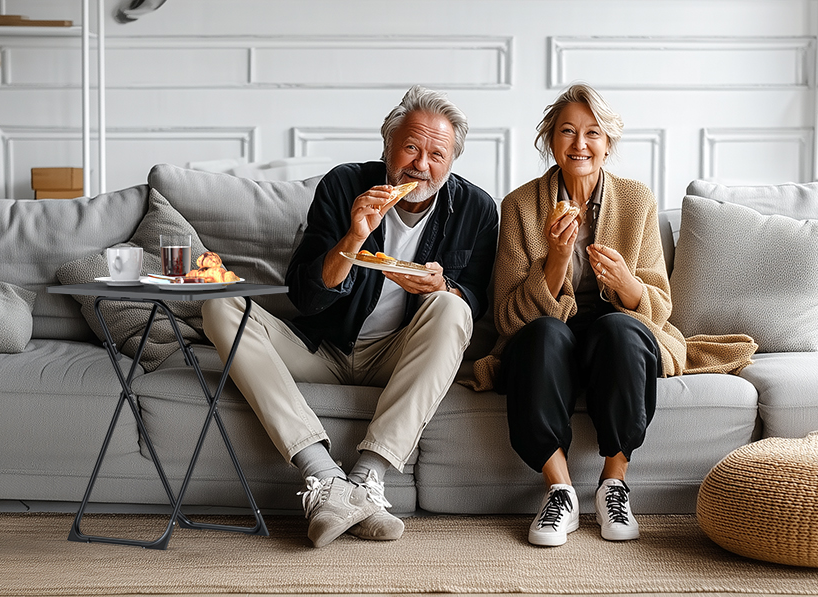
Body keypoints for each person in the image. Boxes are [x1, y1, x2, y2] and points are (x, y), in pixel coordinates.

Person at [201, 85, 499, 548]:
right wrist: (354, 237)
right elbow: (305, 296)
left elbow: (478, 299)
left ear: (453, 160)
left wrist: (443, 286)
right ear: (387, 148)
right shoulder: (344, 185)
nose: (421, 164)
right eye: (411, 148)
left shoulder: (477, 209)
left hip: (396, 357)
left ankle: (365, 480)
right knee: (219, 304)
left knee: (451, 305)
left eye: (437, 154)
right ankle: (324, 479)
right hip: (323, 349)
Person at [470, 83, 755, 546]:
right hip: (550, 331)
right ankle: (559, 491)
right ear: (550, 139)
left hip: (614, 329)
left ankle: (613, 484)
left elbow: (660, 308)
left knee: (621, 329)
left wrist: (629, 287)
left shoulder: (636, 200)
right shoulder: (520, 206)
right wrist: (555, 262)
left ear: (608, 143)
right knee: (542, 334)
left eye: (592, 133)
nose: (579, 144)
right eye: (567, 131)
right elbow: (506, 318)